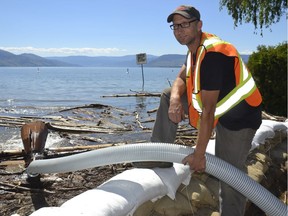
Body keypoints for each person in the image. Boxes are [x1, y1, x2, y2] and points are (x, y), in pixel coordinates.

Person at [151, 5, 262, 216]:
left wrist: (199, 155)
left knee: (230, 175)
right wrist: (175, 99)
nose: (180, 30)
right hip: (218, 109)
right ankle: (158, 156)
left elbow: (209, 110)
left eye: (185, 24)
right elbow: (180, 79)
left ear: (199, 25)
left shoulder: (212, 53)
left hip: (239, 119)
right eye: (175, 26)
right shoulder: (194, 50)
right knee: (167, 94)